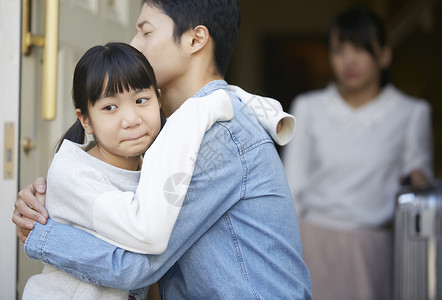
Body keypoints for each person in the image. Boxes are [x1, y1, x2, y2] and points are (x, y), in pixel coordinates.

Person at [13, 1, 312, 299]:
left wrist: (42, 233)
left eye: (145, 32)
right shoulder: (175, 133)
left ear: (195, 39)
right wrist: (57, 199)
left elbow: (135, 265)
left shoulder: (216, 135)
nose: (133, 44)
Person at [23, 42, 235, 299]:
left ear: (158, 100)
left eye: (141, 100)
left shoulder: (150, 168)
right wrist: (199, 111)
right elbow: (147, 235)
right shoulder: (73, 174)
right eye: (110, 108)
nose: (131, 119)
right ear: (85, 120)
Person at [281, 5, 433, 300]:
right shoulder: (308, 107)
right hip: (312, 245)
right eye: (339, 50)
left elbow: (420, 177)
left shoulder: (412, 112)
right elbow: (291, 189)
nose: (349, 60)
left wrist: (419, 178)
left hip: (373, 250)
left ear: (385, 55)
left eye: (361, 48)